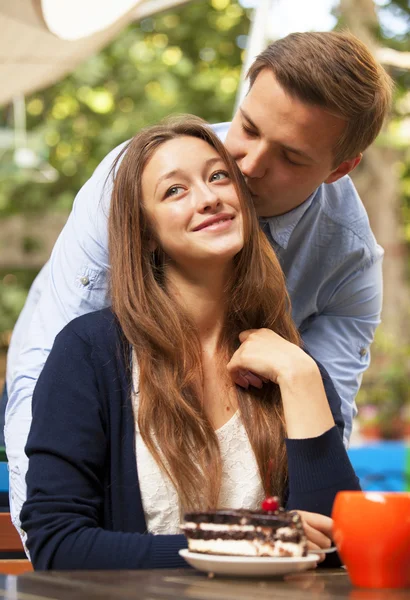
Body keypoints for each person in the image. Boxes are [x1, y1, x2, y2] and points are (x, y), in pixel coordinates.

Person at [5, 31, 391, 539]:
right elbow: (51, 377)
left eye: (291, 157)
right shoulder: (132, 179)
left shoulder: (348, 259)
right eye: (248, 128)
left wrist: (300, 375)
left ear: (339, 170)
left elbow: (320, 453)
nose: (247, 166)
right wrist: (58, 549)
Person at [21, 117, 360, 570]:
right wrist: (243, 543)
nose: (208, 198)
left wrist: (301, 379)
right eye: (174, 191)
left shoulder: (290, 363)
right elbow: (57, 544)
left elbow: (336, 549)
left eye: (218, 176)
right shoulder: (89, 352)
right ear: (146, 234)